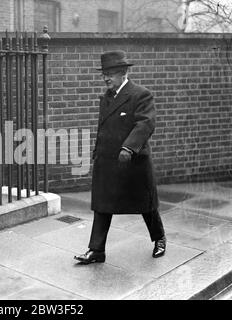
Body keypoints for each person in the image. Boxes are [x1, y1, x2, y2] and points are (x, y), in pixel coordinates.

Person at [74, 50, 166, 264]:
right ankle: (96, 250)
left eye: (111, 73)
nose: (106, 78)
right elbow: (103, 129)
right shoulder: (106, 97)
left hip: (133, 162)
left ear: (124, 73)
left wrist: (129, 148)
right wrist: (97, 153)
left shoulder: (140, 94)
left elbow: (145, 123)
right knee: (102, 205)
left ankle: (159, 239)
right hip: (107, 161)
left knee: (146, 205)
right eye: (104, 73)